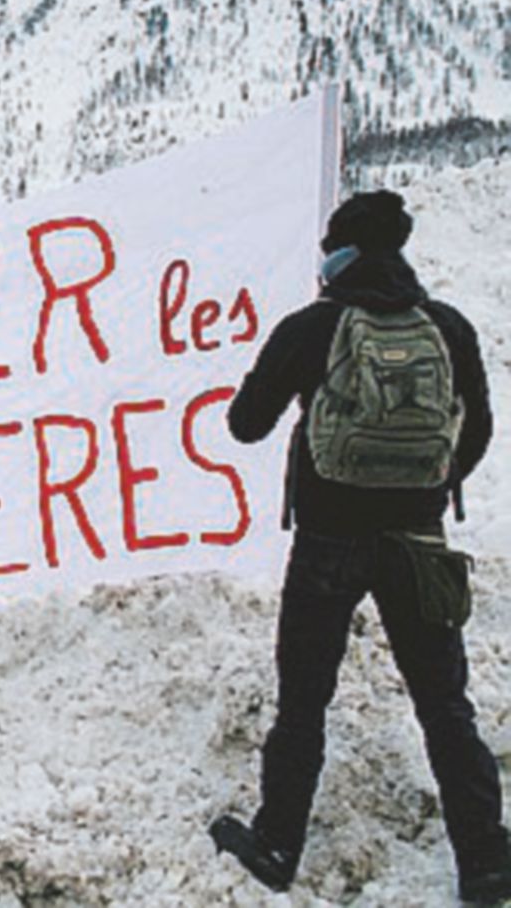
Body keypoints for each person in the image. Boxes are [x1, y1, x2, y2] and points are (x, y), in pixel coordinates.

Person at [209, 190, 510, 905]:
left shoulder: (312, 327)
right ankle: (486, 860)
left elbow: (244, 425)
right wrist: (428, 486)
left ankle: (278, 843)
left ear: (336, 258)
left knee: (304, 699)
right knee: (445, 703)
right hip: (419, 541)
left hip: (326, 542)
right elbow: (477, 431)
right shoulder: (447, 327)